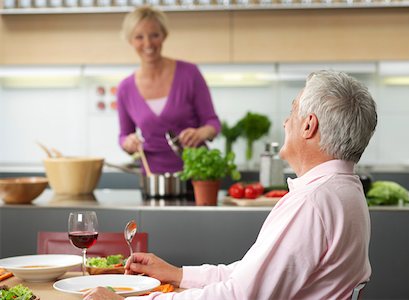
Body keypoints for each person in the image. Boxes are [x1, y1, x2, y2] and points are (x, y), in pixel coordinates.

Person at [83, 70, 377, 300]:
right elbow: (252, 276)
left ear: (308, 126)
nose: (287, 122)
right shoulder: (345, 189)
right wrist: (178, 274)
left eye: (293, 110)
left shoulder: (312, 203)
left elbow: (241, 294)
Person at [117, 6, 221, 174]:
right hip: (153, 178)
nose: (148, 43)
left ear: (164, 35)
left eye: (154, 35)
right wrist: (127, 143)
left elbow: (213, 123)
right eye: (139, 37)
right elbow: (123, 135)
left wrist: (201, 133)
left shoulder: (189, 74)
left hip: (196, 173)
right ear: (130, 40)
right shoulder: (125, 88)